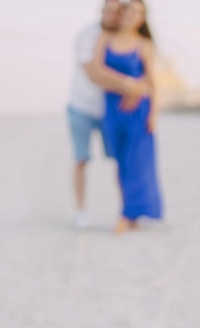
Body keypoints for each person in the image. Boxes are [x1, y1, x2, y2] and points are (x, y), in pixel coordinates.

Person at [66, 0, 147, 228]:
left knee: (120, 161)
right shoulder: (87, 36)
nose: (112, 15)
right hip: (80, 107)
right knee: (81, 159)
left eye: (117, 11)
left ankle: (127, 211)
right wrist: (129, 84)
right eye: (108, 10)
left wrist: (136, 91)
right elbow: (94, 74)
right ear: (101, 11)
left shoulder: (124, 38)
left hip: (109, 112)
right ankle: (80, 211)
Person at [90, 0, 163, 234]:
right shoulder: (105, 38)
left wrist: (153, 114)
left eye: (139, 13)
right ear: (123, 13)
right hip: (112, 110)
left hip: (138, 112)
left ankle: (126, 214)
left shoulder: (143, 44)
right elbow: (97, 69)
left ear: (143, 19)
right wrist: (129, 84)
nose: (133, 15)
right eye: (130, 10)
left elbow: (153, 84)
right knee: (120, 163)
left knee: (136, 162)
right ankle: (129, 211)